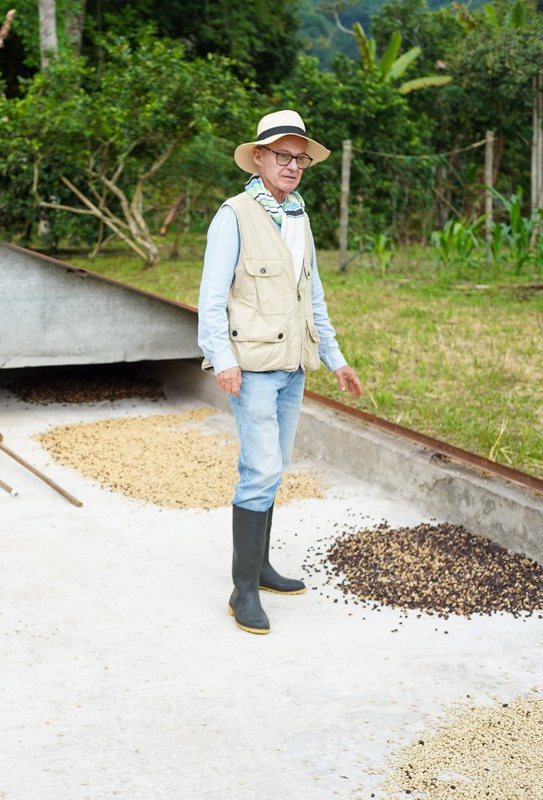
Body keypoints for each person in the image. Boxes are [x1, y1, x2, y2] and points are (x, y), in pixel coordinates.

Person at [197, 109, 364, 635]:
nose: (293, 165)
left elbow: (311, 296)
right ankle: (242, 588)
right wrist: (222, 359)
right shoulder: (234, 215)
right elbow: (211, 297)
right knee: (259, 470)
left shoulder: (298, 217)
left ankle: (262, 568)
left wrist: (336, 359)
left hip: (293, 366)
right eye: (283, 155)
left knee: (276, 466)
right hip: (251, 370)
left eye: (301, 158)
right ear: (261, 157)